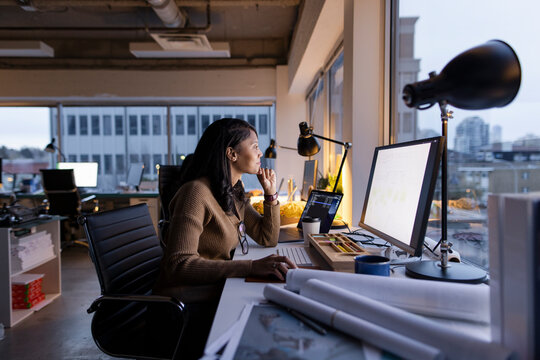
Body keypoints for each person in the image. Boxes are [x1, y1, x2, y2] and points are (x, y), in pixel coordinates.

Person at [153, 118, 295, 359]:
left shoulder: (231, 192)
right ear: (231, 153)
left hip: (211, 288)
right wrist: (251, 267)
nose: (260, 153)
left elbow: (266, 237)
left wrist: (271, 195)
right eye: (255, 146)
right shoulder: (195, 193)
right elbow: (179, 265)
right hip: (184, 303)